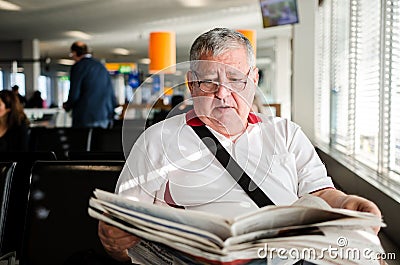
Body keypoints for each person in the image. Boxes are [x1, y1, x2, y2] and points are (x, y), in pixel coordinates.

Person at [98, 28, 381, 263]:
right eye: (209, 83)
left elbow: (319, 193)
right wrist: (115, 245)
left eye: (235, 79)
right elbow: (127, 222)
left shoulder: (286, 133)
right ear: (191, 84)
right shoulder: (157, 140)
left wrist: (347, 203)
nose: (223, 94)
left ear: (254, 80)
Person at [63, 41, 116, 128]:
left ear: (74, 53)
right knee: (100, 141)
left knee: (84, 141)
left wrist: (67, 106)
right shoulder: (101, 66)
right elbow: (110, 90)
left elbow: (74, 93)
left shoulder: (78, 66)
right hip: (104, 115)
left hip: (86, 116)